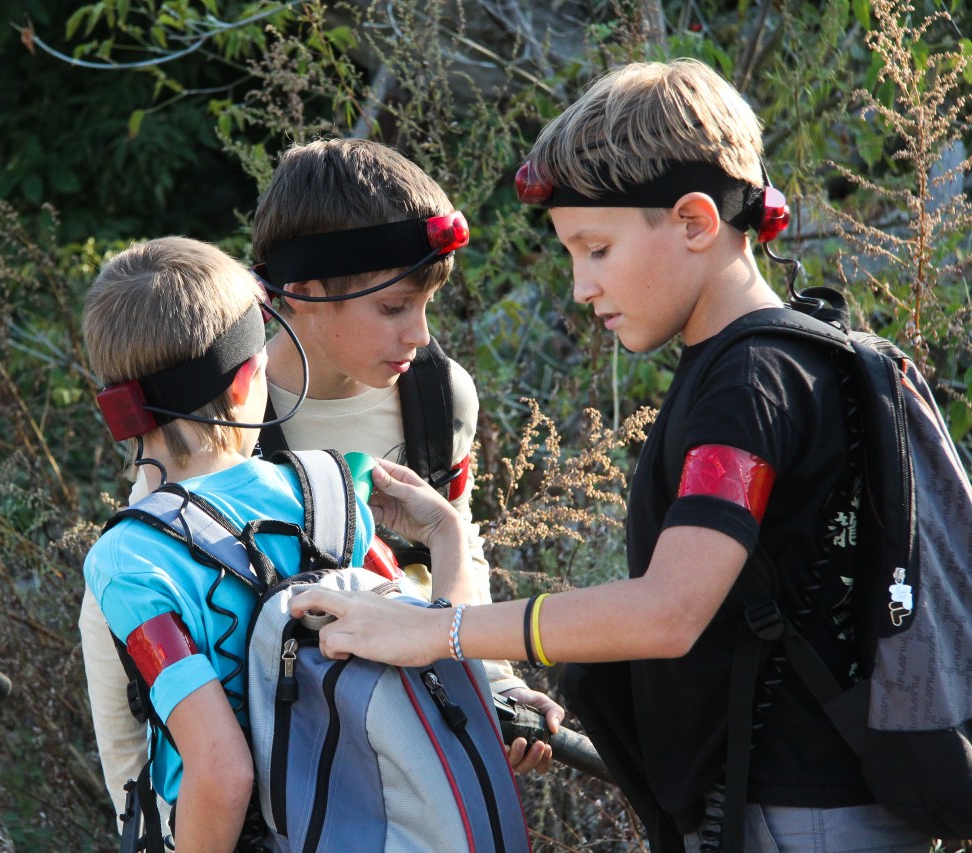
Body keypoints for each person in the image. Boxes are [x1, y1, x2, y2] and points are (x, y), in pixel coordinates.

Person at [289, 60, 933, 852]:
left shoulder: (749, 385)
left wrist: (438, 630)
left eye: (596, 248)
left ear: (695, 221)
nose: (580, 286)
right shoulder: (769, 364)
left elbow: (668, 610)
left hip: (799, 819)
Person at [78, 138, 563, 826]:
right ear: (300, 295)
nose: (420, 334)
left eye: (428, 303)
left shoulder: (437, 397)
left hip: (394, 774)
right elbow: (125, 628)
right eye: (394, 307)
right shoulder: (218, 418)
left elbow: (450, 560)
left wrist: (492, 685)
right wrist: (145, 817)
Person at [80, 236, 473, 851]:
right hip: (374, 825)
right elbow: (436, 650)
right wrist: (447, 534)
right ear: (246, 383)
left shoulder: (131, 558)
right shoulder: (331, 492)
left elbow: (222, 773)